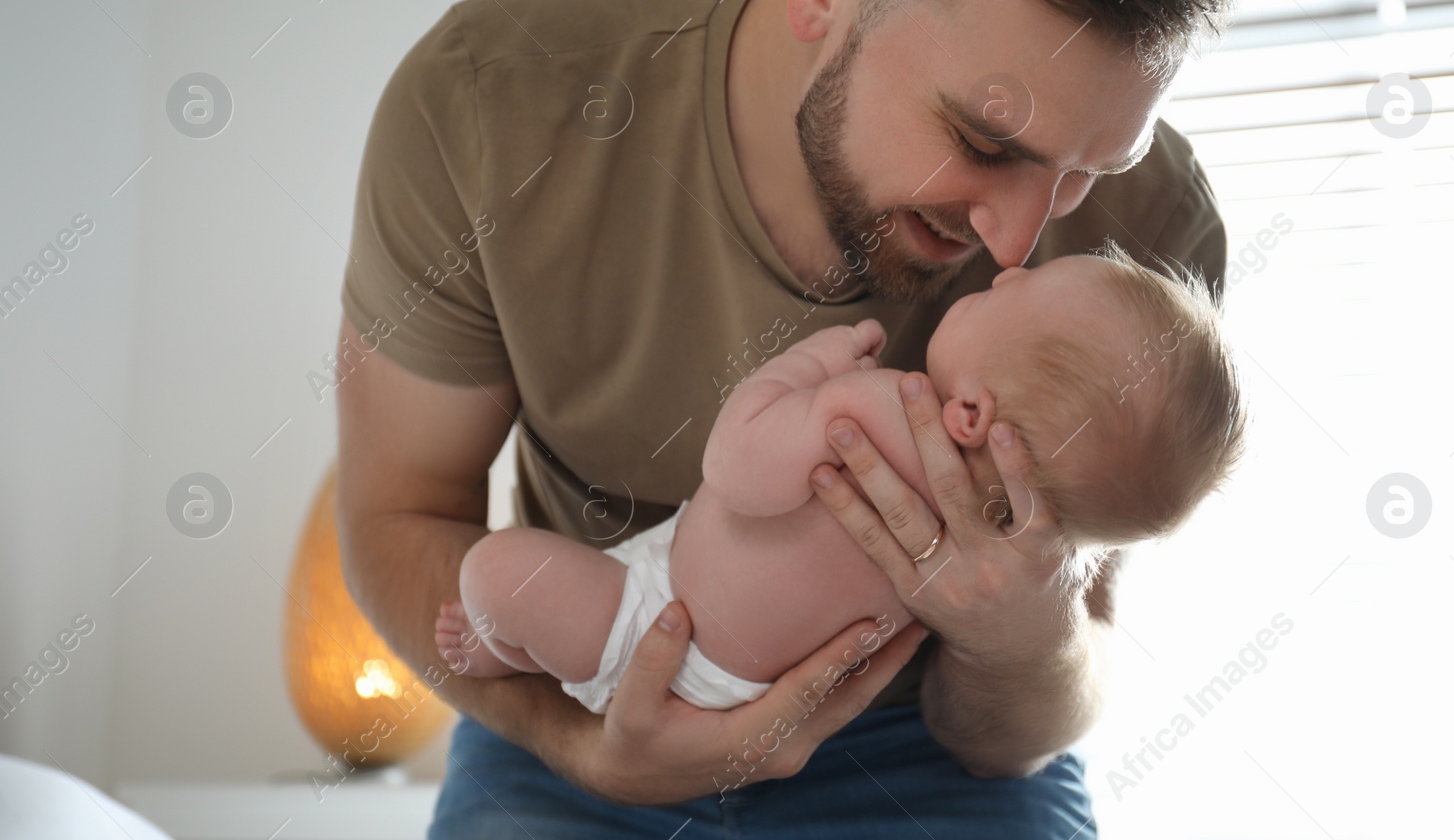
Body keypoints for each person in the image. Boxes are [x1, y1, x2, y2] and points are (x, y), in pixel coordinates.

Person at [333, 0, 1246, 834]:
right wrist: (590, 744)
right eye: (984, 143)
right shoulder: (492, 100)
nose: (1018, 239)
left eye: (1089, 169)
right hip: (585, 688)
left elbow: (1035, 711)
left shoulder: (1155, 246)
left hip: (921, 750)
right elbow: (399, 516)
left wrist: (1025, 638)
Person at [435, 248, 1246, 731]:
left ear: (970, 412)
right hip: (754, 688)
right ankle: (524, 650)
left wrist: (812, 369)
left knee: (493, 572)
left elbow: (735, 466)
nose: (1006, 275)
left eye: (1022, 292)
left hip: (658, 627)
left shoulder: (883, 410)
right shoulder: (1005, 546)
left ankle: (502, 651)